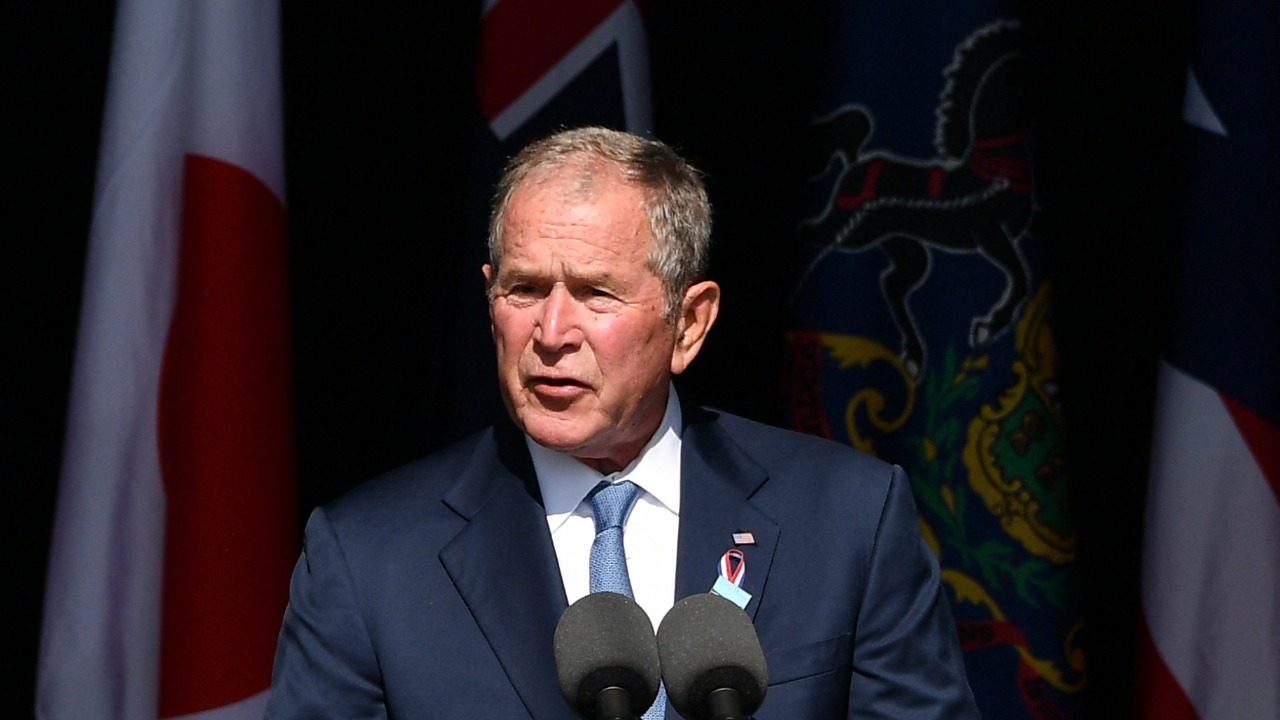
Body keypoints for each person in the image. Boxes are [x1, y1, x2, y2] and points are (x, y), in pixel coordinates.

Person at [265, 127, 980, 719]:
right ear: (489, 301)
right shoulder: (367, 559)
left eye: (594, 294)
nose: (551, 331)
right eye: (525, 289)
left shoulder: (849, 519)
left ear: (689, 324)